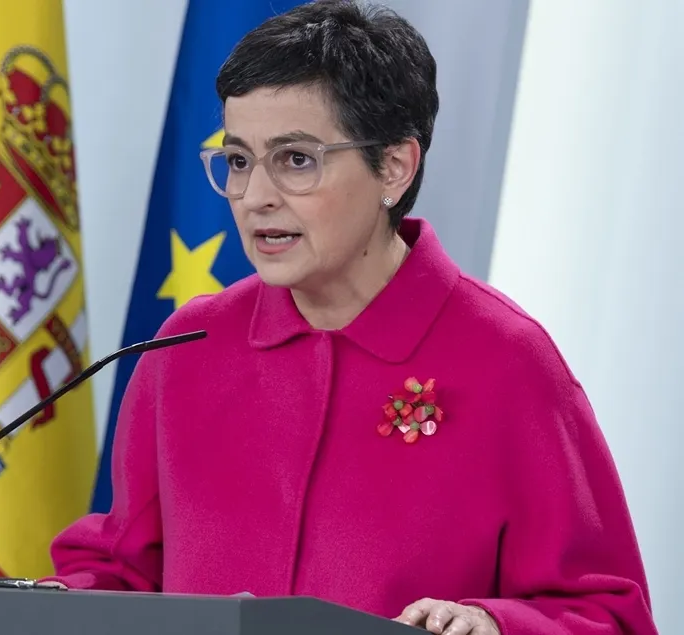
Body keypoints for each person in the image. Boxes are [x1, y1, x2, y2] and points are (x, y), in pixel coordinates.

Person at [40, 2, 659, 634]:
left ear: (394, 166)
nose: (255, 198)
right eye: (239, 160)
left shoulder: (506, 359)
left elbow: (609, 615)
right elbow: (120, 572)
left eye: (296, 160)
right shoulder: (188, 346)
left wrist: (493, 624)